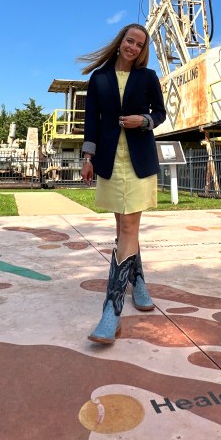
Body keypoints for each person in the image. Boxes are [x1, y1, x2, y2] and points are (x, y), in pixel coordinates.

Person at [79, 23, 166, 344]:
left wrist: (143, 121)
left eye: (140, 44)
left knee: (128, 228)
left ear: (143, 51)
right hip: (109, 160)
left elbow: (160, 113)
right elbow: (92, 122)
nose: (133, 47)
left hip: (139, 159)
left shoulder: (148, 77)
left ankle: (111, 311)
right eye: (130, 41)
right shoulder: (99, 78)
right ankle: (139, 281)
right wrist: (87, 158)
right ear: (120, 43)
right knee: (123, 229)